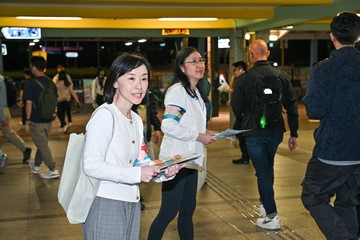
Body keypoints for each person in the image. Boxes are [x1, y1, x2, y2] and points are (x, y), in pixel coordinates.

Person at [82, 53, 181, 240]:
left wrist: (163, 171)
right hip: (106, 204)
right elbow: (91, 165)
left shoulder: (135, 119)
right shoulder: (104, 115)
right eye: (131, 78)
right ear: (115, 82)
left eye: (144, 79)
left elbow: (140, 161)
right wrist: (136, 174)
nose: (139, 86)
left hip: (131, 203)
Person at [301, 12, 360, 240]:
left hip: (332, 151)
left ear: (332, 36)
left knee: (313, 196)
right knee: (348, 200)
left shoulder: (323, 69)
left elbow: (315, 111)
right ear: (357, 36)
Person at [148, 47, 218, 240]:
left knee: (187, 211)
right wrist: (198, 136)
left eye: (201, 60)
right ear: (182, 67)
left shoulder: (196, 92)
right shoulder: (178, 91)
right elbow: (168, 125)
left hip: (191, 160)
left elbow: (190, 124)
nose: (200, 65)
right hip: (176, 162)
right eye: (193, 61)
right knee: (168, 212)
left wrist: (204, 134)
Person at [231, 39, 299, 230]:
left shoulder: (243, 79)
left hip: (254, 132)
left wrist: (247, 115)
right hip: (276, 130)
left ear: (251, 56)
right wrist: (294, 132)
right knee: (268, 167)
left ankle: (271, 215)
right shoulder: (282, 76)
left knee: (262, 171)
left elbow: (236, 107)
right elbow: (292, 105)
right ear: (267, 53)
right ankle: (265, 203)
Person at [24, 56, 60, 179]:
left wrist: (28, 119)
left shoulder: (30, 83)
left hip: (36, 119)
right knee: (42, 143)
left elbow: (28, 103)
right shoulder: (51, 82)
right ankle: (36, 165)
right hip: (48, 119)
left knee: (42, 145)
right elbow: (55, 100)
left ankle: (52, 169)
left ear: (34, 68)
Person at [0, 75, 32, 164]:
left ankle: (1, 157)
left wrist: (2, 117)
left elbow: (0, 99)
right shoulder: (2, 78)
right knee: (8, 133)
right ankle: (25, 149)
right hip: (5, 109)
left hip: (1, 111)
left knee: (8, 132)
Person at [229, 61, 250, 165]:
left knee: (241, 134)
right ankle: (246, 156)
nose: (233, 72)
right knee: (240, 134)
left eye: (235, 70)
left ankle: (246, 156)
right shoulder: (246, 79)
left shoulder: (241, 80)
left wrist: (238, 111)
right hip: (243, 113)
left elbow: (240, 98)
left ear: (241, 70)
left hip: (243, 114)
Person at [53, 64, 81, 129]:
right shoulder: (66, 79)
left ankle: (64, 123)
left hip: (59, 99)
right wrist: (77, 100)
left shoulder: (56, 79)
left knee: (61, 113)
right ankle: (68, 122)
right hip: (66, 98)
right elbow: (72, 90)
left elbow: (53, 90)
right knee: (67, 110)